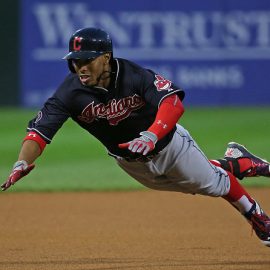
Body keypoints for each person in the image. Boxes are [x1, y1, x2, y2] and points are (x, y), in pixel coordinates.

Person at [2, 27, 270, 247]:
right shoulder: (69, 94)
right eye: (75, 60)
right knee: (195, 183)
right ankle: (238, 161)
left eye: (87, 59)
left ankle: (256, 214)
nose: (80, 66)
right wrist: (21, 163)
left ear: (106, 57)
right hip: (130, 163)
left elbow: (173, 102)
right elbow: (39, 132)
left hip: (171, 146)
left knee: (214, 185)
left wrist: (152, 135)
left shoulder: (134, 75)